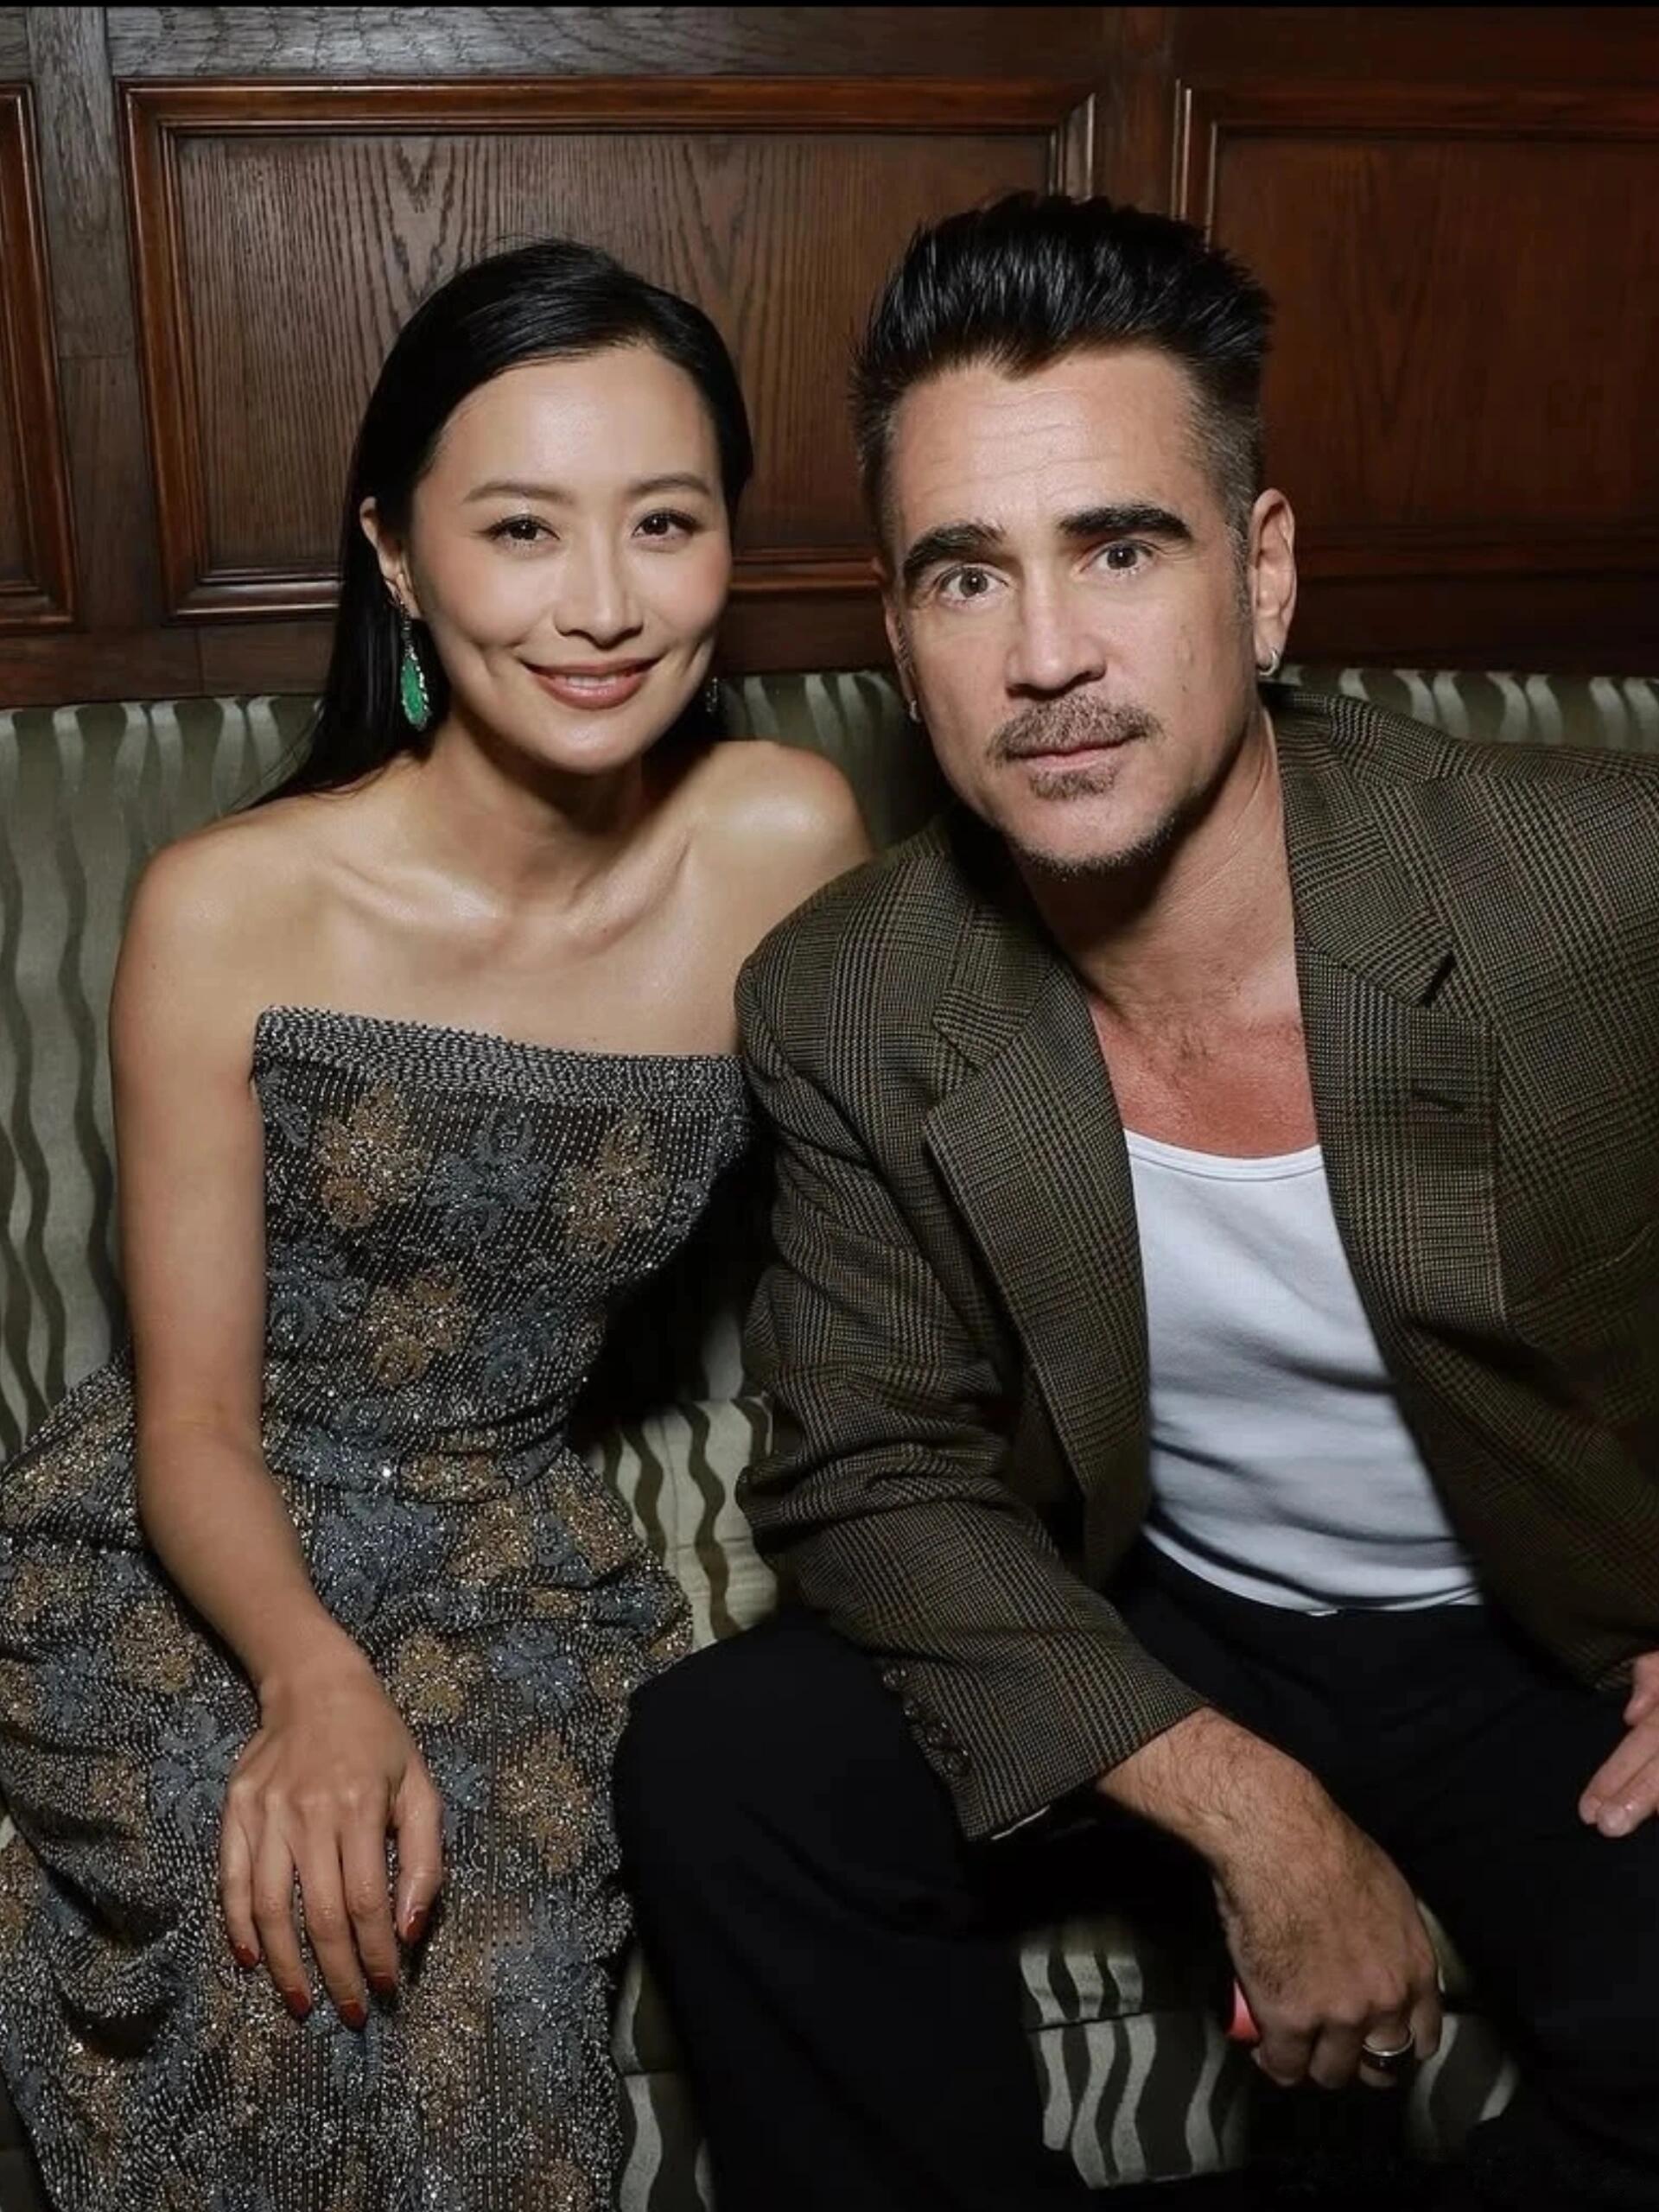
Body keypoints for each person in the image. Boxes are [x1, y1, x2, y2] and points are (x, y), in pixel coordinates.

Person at [616, 194, 1659, 2212]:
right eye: (967, 574)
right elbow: (863, 1467)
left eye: (1120, 547)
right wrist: (1246, 1803)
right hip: (1162, 1612)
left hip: (1554, 1641)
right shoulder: (852, 995)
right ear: (898, 639)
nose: (1048, 656)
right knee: (732, 1762)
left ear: (1262, 578)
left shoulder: (1597, 893)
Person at [0, 237, 868, 2210]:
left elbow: (909, 1235)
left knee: (469, 1986)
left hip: (514, 1568)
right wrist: (306, 1679)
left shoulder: (784, 846)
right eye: (522, 528)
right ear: (397, 555)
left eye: (666, 522)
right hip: (187, 1552)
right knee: (277, 1955)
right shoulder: (228, 906)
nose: (603, 603)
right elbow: (190, 1419)